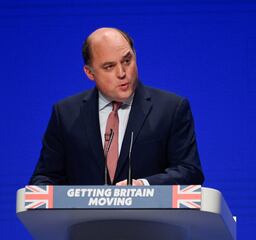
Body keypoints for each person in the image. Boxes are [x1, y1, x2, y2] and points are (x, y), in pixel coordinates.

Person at [29, 27, 204, 186]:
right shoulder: (66, 114)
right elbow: (44, 179)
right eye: (109, 66)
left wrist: (144, 185)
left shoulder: (171, 108)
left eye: (127, 61)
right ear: (90, 73)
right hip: (88, 221)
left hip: (150, 220)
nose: (122, 73)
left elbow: (190, 172)